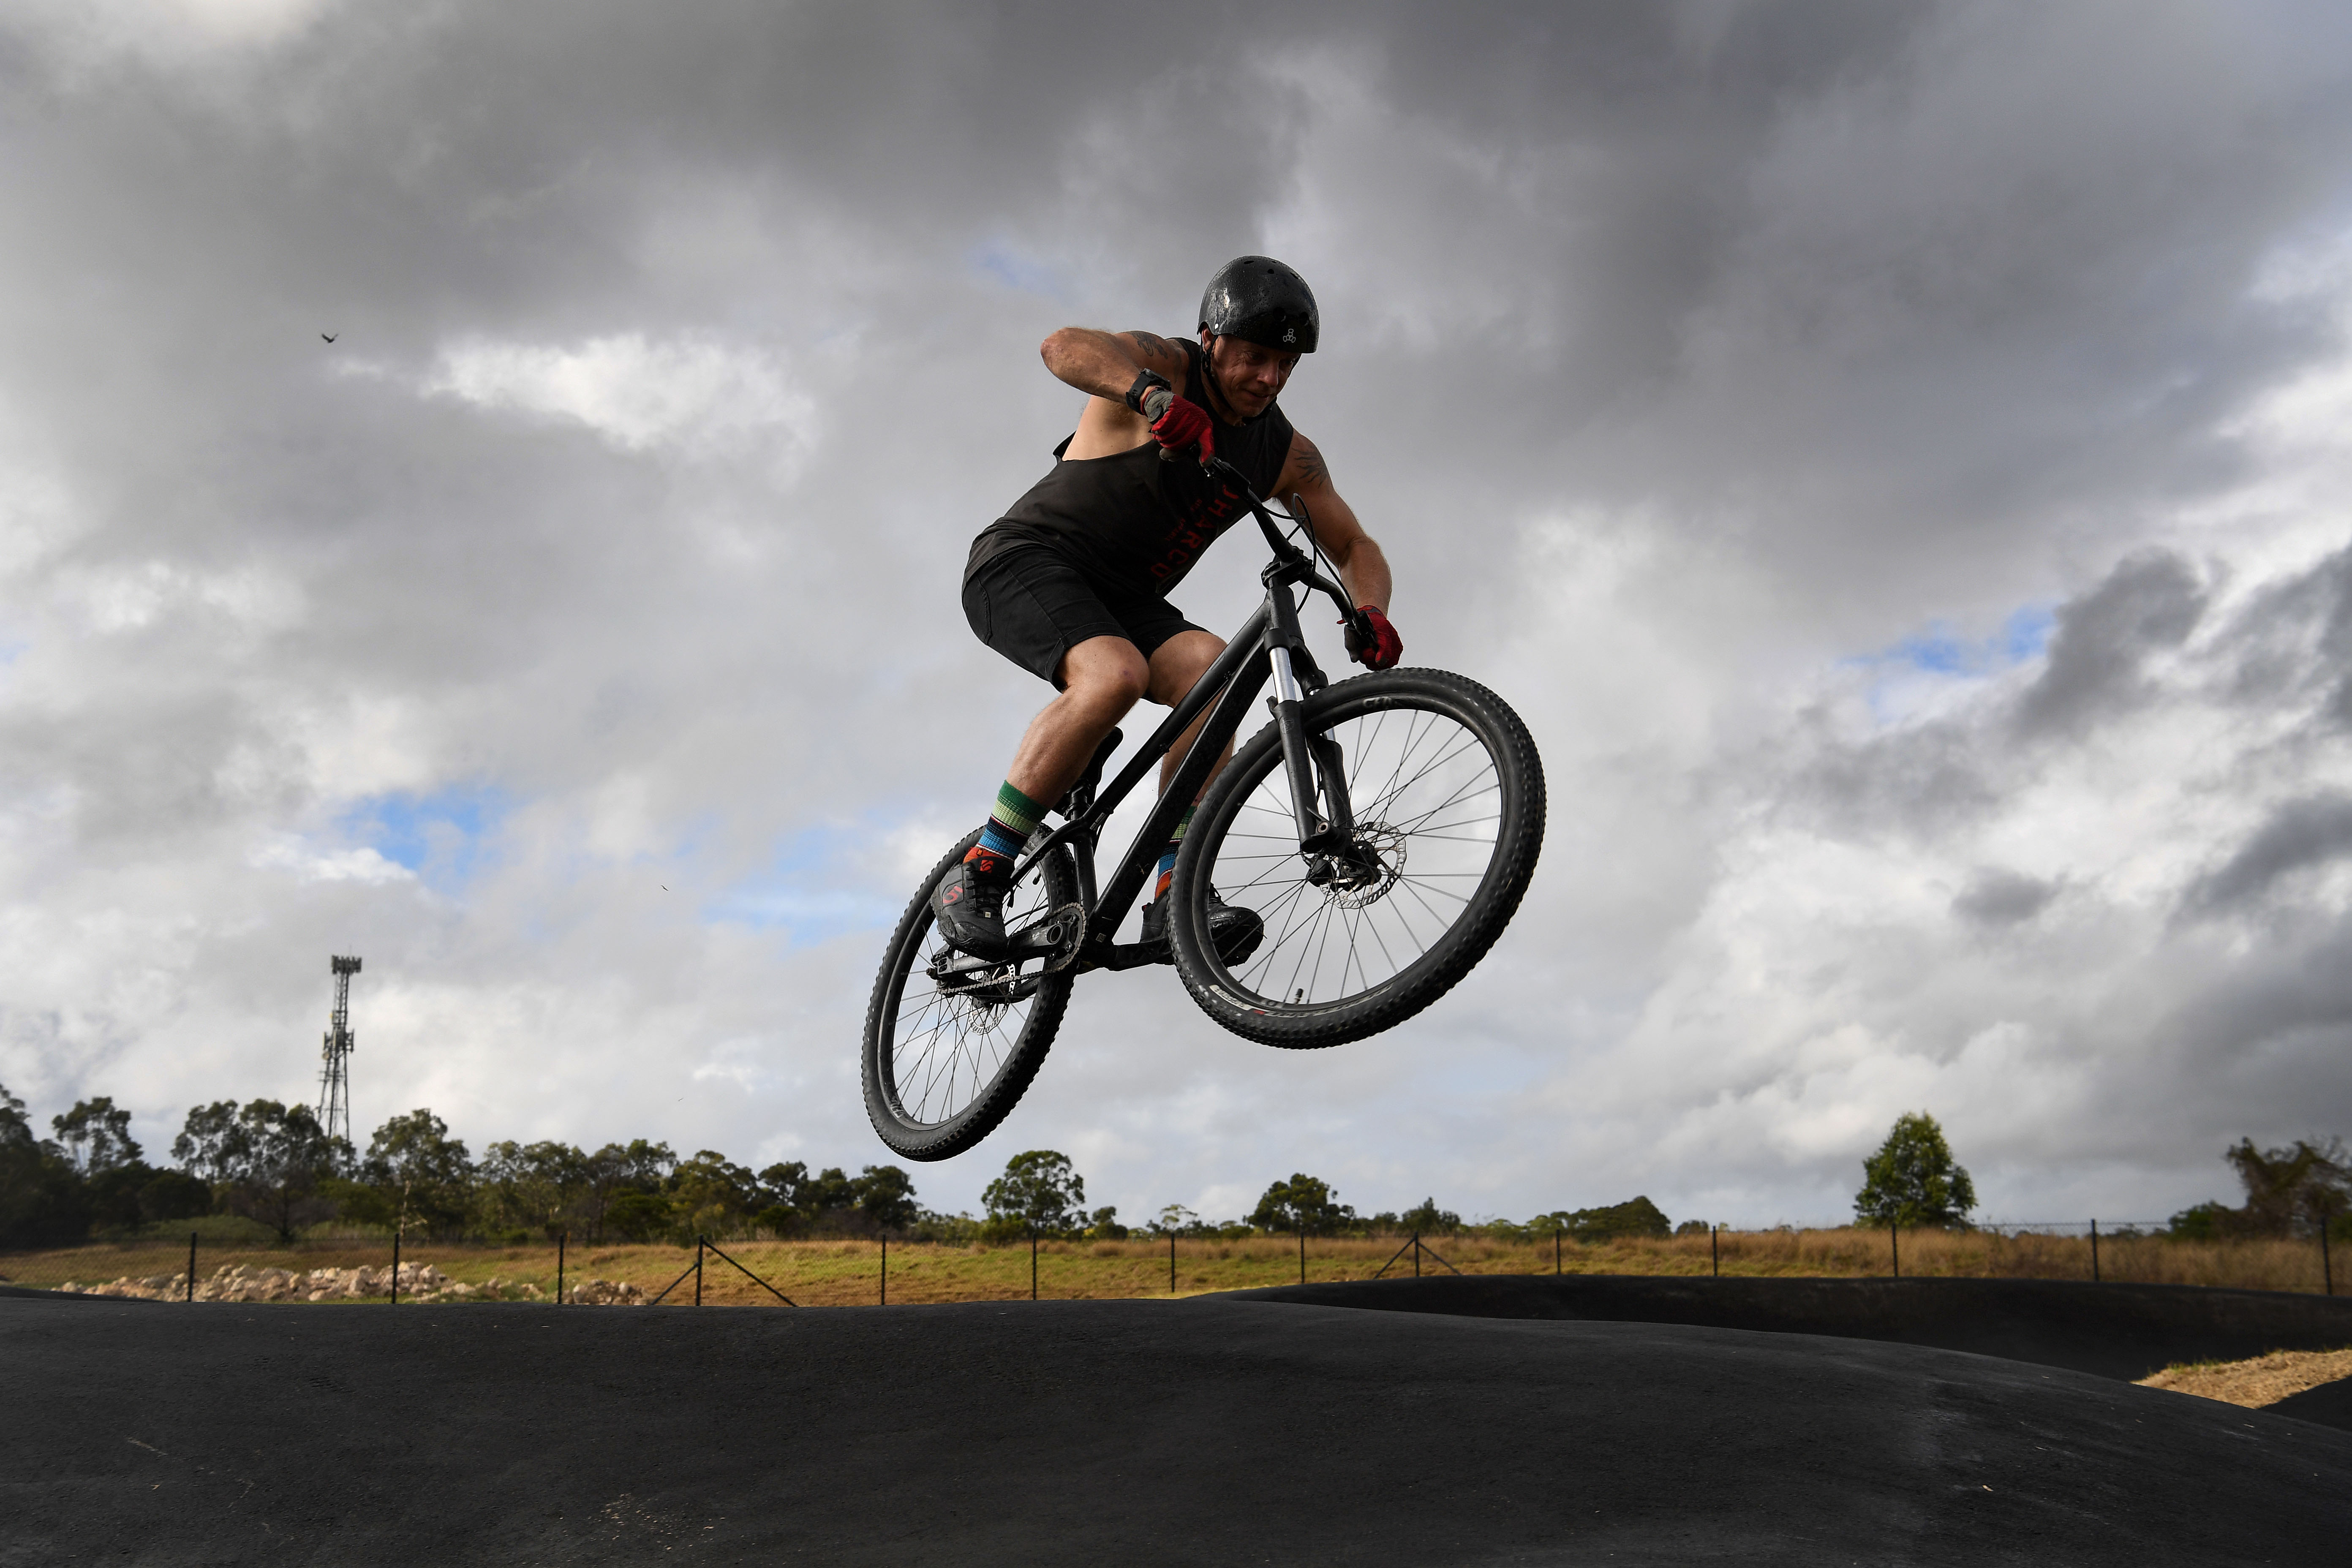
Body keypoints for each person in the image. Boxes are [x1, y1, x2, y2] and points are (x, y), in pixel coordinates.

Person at [933, 256, 1402, 960]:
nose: (1268, 379)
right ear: (1211, 340)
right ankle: (981, 871)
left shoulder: (1284, 452)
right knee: (1114, 675)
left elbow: (1353, 542)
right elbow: (1063, 345)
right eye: (1253, 359)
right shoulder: (1167, 367)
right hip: (1027, 560)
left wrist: (1372, 610)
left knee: (1214, 676)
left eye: (1285, 365)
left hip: (1125, 602)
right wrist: (1149, 397)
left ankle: (1174, 893)